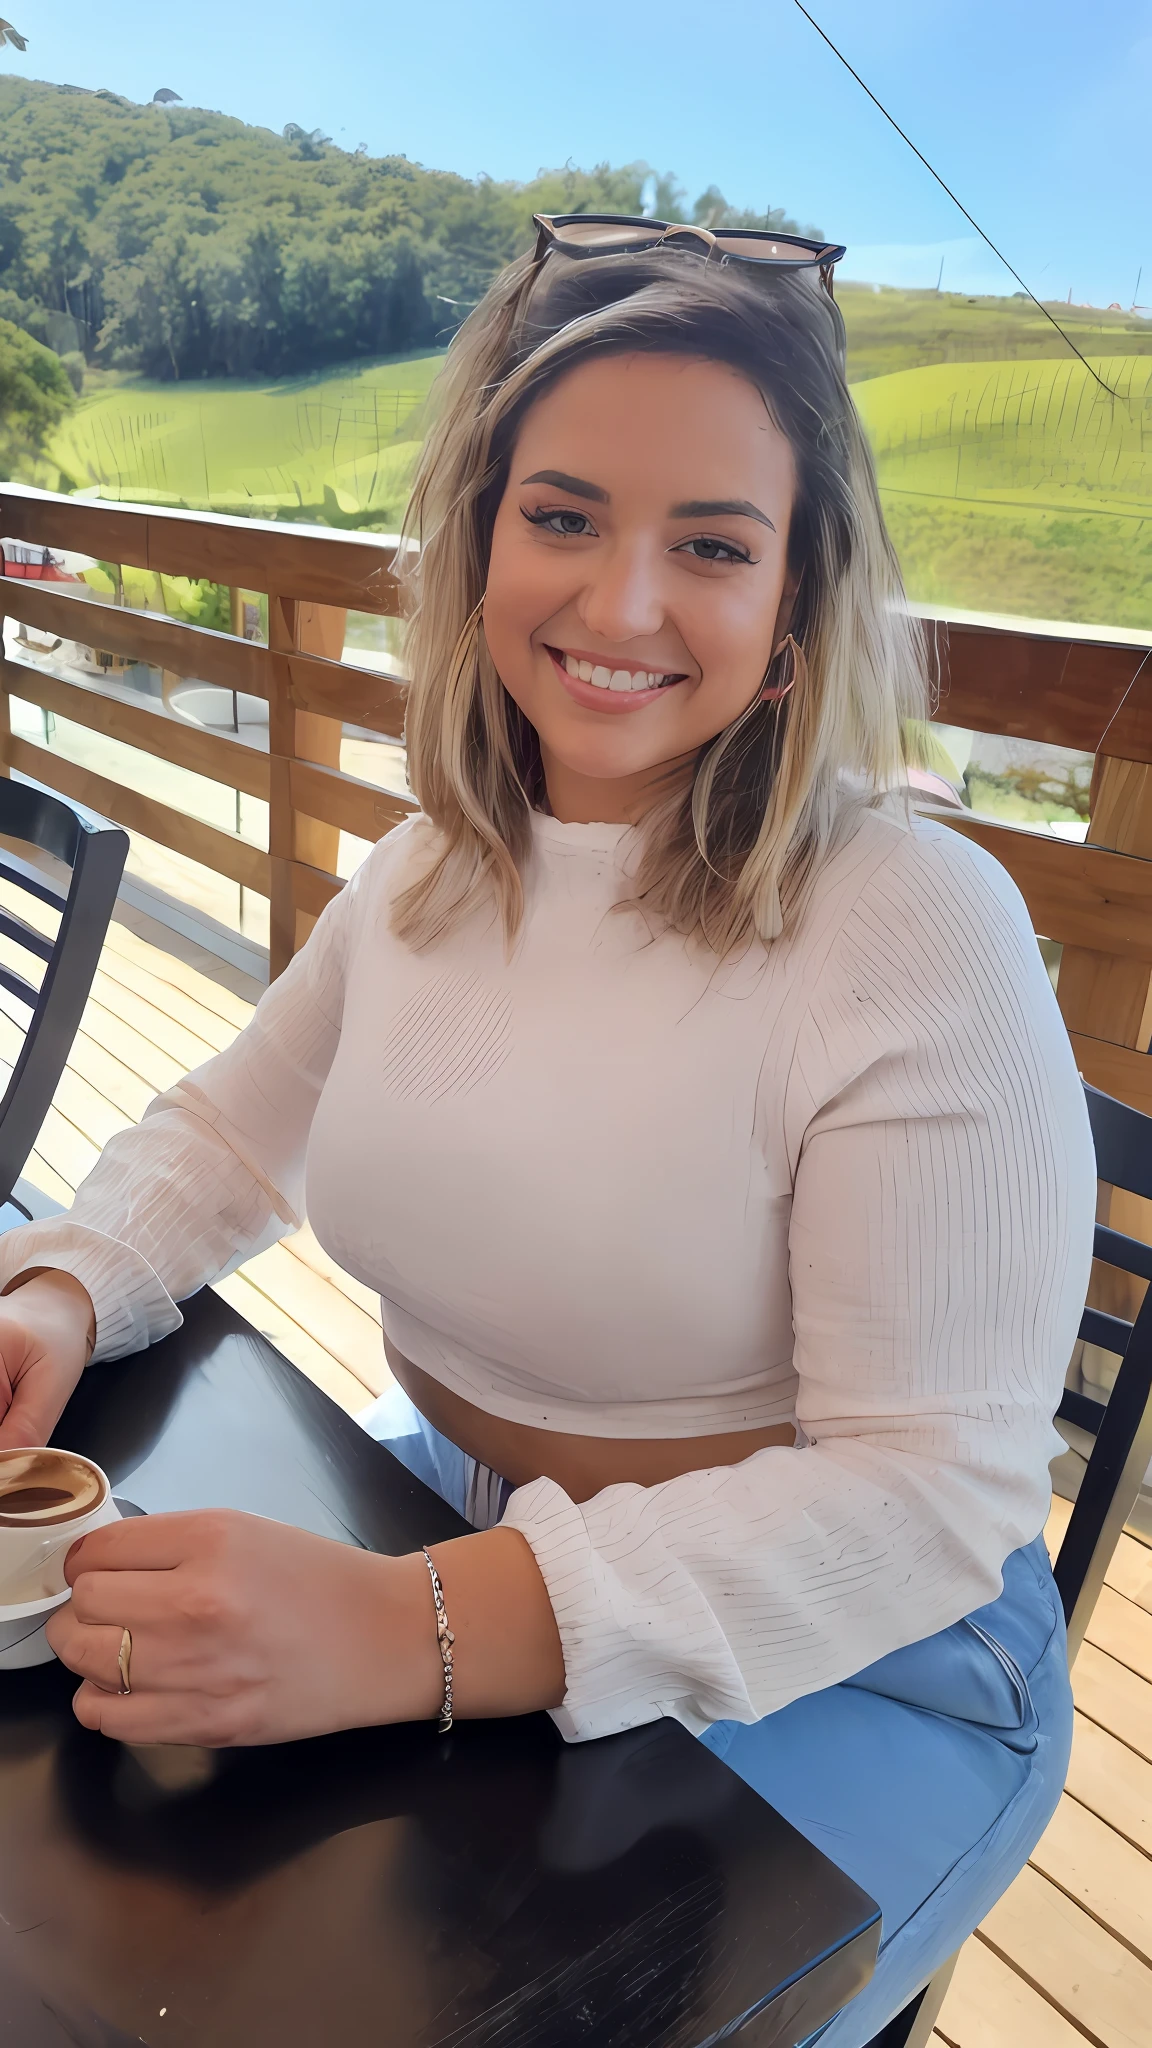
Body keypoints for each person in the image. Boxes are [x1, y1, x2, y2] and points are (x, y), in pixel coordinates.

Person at [0, 217, 1093, 2044]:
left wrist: (405, 1631)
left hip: (861, 1668)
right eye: (564, 517)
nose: (621, 603)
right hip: (452, 1514)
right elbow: (227, 1133)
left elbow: (926, 1500)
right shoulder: (439, 863)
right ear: (482, 537)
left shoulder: (912, 921)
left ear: (795, 610)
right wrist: (56, 1296)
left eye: (714, 547)